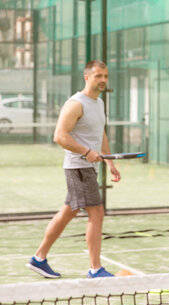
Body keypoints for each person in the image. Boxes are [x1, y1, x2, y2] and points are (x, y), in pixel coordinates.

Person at [26, 60, 121, 279]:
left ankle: (39, 258)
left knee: (69, 211)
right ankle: (95, 269)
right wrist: (87, 152)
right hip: (78, 167)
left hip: (89, 167)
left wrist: (109, 162)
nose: (103, 80)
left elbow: (101, 134)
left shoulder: (99, 103)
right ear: (87, 77)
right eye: (98, 76)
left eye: (105, 76)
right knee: (96, 213)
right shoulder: (75, 104)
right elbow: (60, 136)